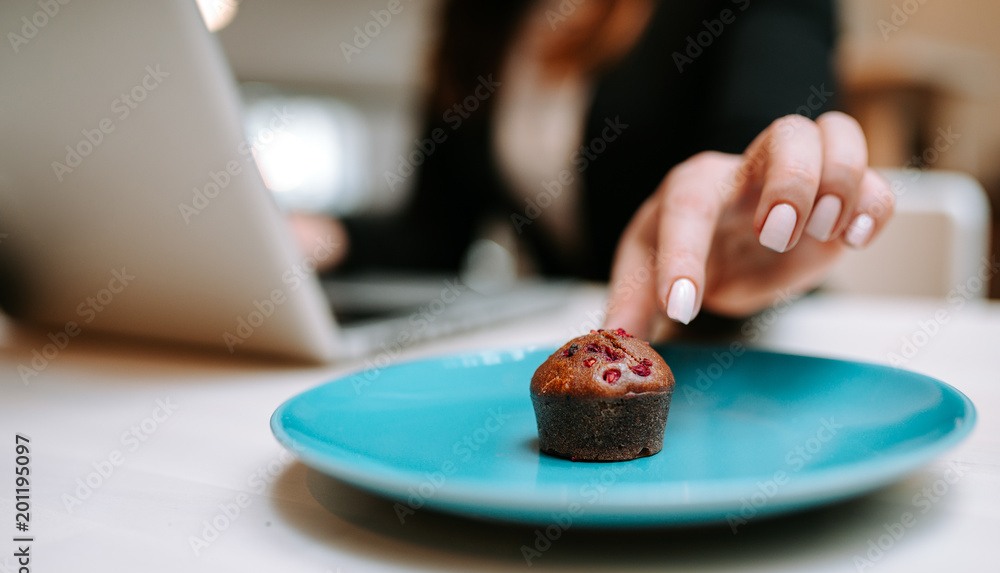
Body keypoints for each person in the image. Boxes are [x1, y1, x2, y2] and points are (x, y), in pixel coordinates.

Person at [293, 0, 894, 340]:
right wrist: (325, 236)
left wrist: (750, 187)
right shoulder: (476, 22)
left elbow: (761, 131)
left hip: (763, 345)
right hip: (586, 337)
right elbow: (436, 234)